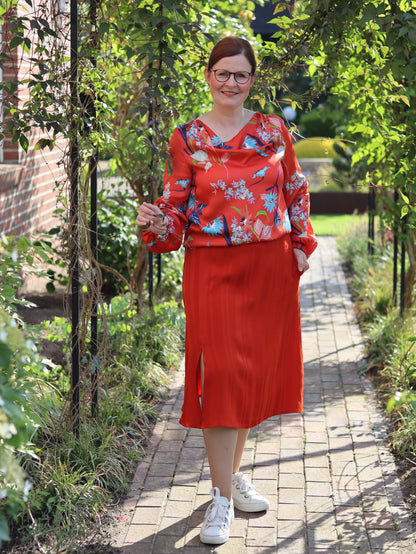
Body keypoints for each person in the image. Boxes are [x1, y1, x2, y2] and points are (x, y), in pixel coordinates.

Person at [137, 36, 317, 546]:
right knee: (218, 377)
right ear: (209, 75)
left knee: (247, 377)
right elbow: (175, 208)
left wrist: (301, 244)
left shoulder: (273, 130)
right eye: (222, 73)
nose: (230, 83)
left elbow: (294, 188)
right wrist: (158, 222)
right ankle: (220, 499)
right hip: (212, 269)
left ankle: (230, 479)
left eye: (240, 75)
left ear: (252, 80)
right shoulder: (187, 138)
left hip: (268, 269)